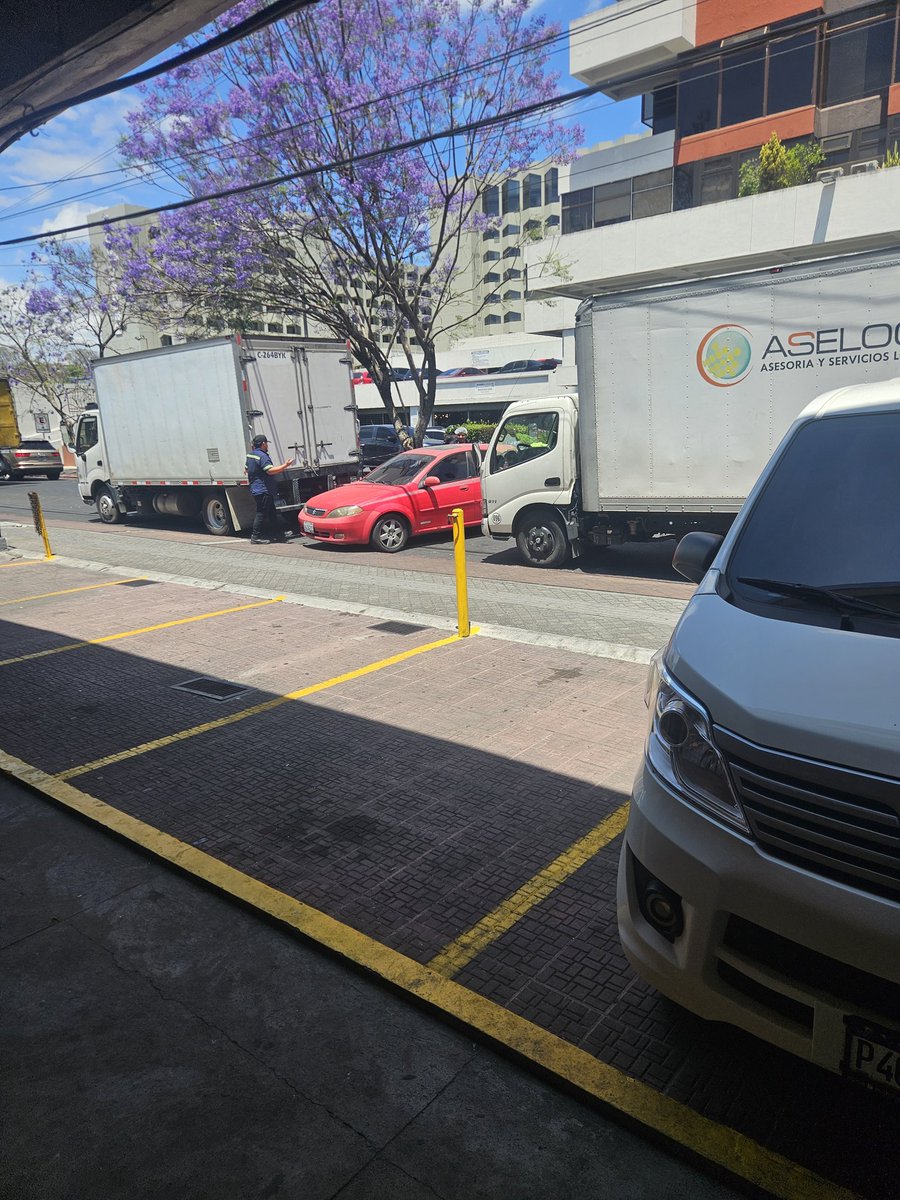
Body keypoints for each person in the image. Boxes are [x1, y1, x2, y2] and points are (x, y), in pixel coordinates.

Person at [246, 434, 295, 545]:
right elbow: (270, 470)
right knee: (261, 513)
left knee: (272, 512)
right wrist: (285, 465)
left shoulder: (250, 455)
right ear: (263, 444)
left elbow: (246, 468)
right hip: (263, 490)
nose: (267, 445)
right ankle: (255, 536)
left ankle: (278, 534)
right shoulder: (262, 456)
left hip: (257, 488)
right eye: (266, 443)